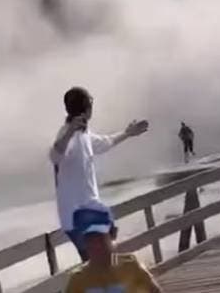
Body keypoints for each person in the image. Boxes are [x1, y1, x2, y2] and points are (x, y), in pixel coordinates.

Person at [50, 86, 149, 261]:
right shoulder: (67, 133)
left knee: (102, 259)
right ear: (88, 108)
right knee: (100, 261)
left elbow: (105, 142)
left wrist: (127, 133)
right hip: (77, 214)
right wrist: (70, 132)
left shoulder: (83, 134)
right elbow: (55, 154)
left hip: (89, 210)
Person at [64, 202, 163, 293]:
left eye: (101, 239)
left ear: (113, 235)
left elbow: (156, 291)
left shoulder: (131, 265)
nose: (96, 246)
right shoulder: (77, 280)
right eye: (90, 240)